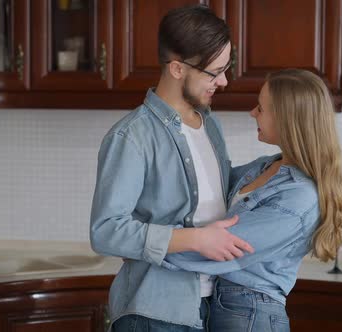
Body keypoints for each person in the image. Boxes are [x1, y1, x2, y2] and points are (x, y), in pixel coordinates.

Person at [90, 5, 254, 331]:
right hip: (155, 314)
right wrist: (194, 239)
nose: (223, 81)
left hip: (208, 304)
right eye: (214, 72)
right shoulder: (132, 136)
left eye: (226, 68)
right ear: (177, 69)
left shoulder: (210, 125)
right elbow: (106, 231)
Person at [162, 69, 342, 331]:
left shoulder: (298, 197)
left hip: (252, 313)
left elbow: (220, 249)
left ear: (287, 119)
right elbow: (208, 188)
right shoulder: (266, 167)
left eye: (261, 108)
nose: (253, 113)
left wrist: (145, 245)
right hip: (229, 306)